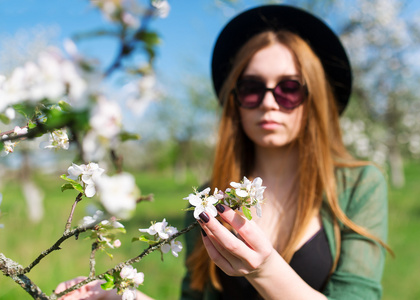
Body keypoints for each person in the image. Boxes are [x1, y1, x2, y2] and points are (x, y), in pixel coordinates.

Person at [56, 4, 390, 300]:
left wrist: (265, 270)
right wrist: (126, 297)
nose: (269, 103)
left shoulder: (357, 185)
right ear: (235, 101)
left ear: (313, 97)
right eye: (251, 88)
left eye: (289, 89)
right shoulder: (206, 200)